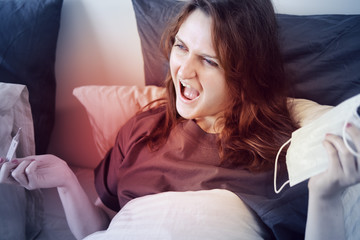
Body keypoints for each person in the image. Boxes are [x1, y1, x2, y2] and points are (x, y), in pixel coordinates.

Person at [0, 0, 359, 239]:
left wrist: (325, 196)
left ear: (244, 74)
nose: (183, 71)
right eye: (181, 46)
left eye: (210, 60)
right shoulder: (142, 129)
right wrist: (65, 179)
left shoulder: (284, 150)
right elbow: (98, 230)